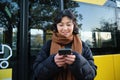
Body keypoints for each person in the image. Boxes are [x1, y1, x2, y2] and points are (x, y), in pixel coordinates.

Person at [33, 9, 97, 80]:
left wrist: (77, 62)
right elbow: (37, 73)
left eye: (69, 24)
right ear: (56, 26)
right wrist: (53, 62)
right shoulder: (48, 45)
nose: (65, 28)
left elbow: (91, 75)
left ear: (73, 25)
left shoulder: (83, 46)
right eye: (61, 25)